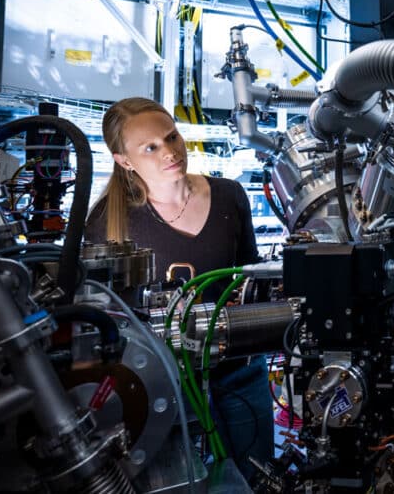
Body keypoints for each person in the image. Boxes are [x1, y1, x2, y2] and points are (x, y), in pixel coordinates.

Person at [84, 97, 273, 481]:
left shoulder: (229, 196)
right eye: (150, 147)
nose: (169, 152)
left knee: (259, 477)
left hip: (240, 371)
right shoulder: (108, 222)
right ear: (124, 160)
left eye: (172, 137)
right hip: (167, 384)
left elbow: (249, 279)